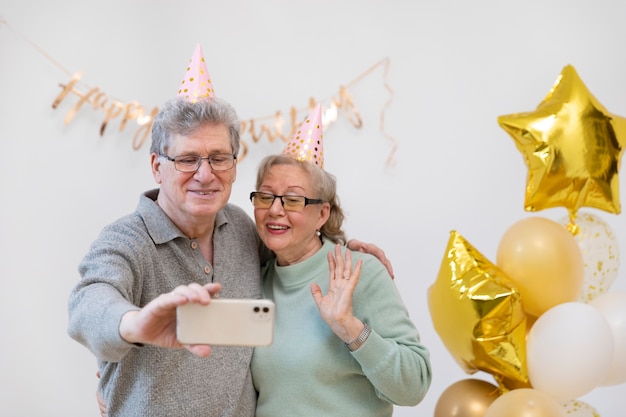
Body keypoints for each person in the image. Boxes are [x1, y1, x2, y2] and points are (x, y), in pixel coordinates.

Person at [68, 44, 393, 417]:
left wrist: (344, 248)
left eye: (219, 158)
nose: (205, 174)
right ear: (158, 167)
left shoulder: (240, 227)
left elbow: (295, 246)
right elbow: (88, 303)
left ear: (235, 166)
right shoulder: (127, 240)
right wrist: (134, 324)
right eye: (187, 159)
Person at [248, 104, 432, 416]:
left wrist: (349, 327)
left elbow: (415, 385)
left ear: (322, 213)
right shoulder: (255, 279)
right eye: (266, 196)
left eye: (293, 199)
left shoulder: (361, 272)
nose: (275, 210)